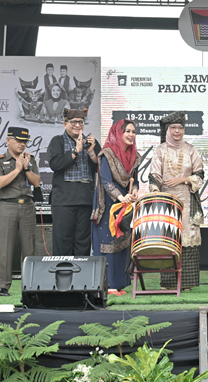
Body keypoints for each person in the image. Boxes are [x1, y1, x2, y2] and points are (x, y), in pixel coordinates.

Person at [149, 111, 204, 290]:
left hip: (187, 199)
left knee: (188, 240)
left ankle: (186, 283)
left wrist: (182, 179)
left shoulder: (190, 149)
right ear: (167, 129)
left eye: (180, 127)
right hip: (167, 201)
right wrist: (156, 190)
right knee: (168, 240)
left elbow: (199, 174)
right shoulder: (160, 150)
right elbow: (155, 174)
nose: (177, 131)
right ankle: (168, 282)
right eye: (173, 127)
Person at [0, 127, 40, 297]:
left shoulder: (30, 159)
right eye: (19, 140)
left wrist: (26, 169)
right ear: (8, 140)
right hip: (7, 206)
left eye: (25, 141)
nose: (22, 144)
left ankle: (30, 286)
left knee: (29, 248)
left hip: (27, 205)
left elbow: (37, 182)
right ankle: (3, 286)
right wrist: (17, 169)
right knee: (4, 247)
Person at [91, 120, 140, 292]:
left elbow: (135, 179)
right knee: (108, 242)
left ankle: (120, 283)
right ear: (118, 133)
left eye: (133, 131)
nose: (131, 135)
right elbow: (105, 181)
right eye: (127, 131)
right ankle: (109, 285)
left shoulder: (134, 154)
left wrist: (134, 191)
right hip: (109, 204)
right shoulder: (107, 154)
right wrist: (120, 197)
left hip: (124, 205)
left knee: (123, 242)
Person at [48, 108, 101, 257]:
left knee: (83, 242)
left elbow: (100, 168)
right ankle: (61, 278)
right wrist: (75, 151)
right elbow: (55, 164)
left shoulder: (91, 141)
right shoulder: (57, 141)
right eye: (73, 122)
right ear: (65, 124)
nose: (77, 125)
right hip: (64, 200)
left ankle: (80, 278)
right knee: (62, 241)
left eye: (80, 122)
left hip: (85, 199)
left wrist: (91, 151)